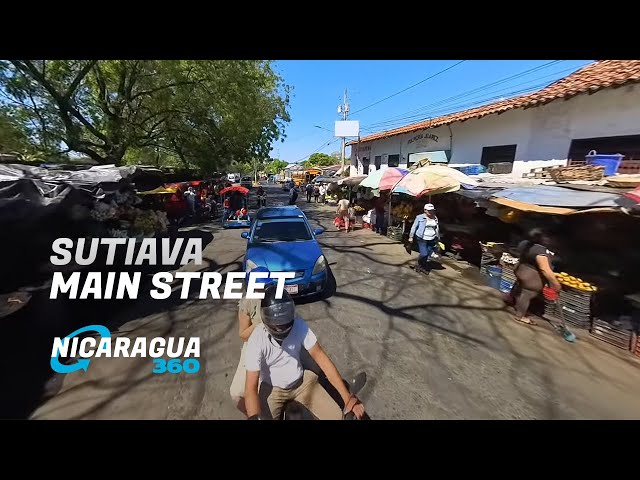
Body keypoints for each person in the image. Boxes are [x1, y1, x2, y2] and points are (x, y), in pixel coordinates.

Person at [244, 285, 366, 420]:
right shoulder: (257, 338)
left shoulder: (298, 325)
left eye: (285, 322)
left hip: (302, 382)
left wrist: (348, 399)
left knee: (338, 417)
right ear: (265, 319)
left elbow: (323, 360)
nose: (281, 327)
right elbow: (251, 387)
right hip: (272, 389)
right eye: (277, 323)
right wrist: (253, 417)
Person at [510, 229, 562, 326]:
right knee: (527, 294)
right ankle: (520, 315)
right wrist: (555, 283)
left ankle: (513, 302)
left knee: (521, 290)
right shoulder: (540, 251)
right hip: (531, 276)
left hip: (521, 270)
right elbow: (545, 269)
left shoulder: (525, 244)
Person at [408, 203, 440, 275]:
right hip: (421, 237)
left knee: (427, 254)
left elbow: (437, 228)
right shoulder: (419, 217)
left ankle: (421, 266)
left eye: (432, 210)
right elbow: (414, 227)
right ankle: (419, 264)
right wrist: (411, 237)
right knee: (424, 253)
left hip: (432, 238)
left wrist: (438, 237)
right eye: (429, 210)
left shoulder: (435, 217)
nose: (431, 212)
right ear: (425, 210)